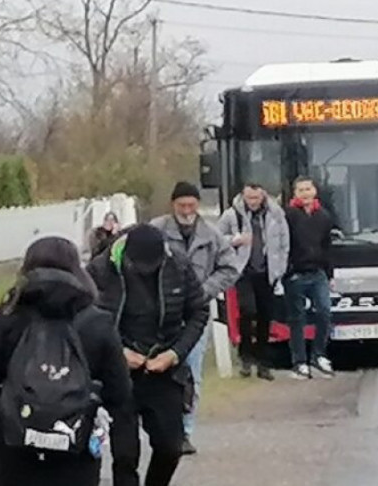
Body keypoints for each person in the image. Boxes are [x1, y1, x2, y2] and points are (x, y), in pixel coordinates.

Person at [0, 236, 133, 486]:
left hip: (13, 447)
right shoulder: (98, 322)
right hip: (75, 446)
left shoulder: (9, 316)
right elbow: (120, 393)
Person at [87, 225, 210, 486]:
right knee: (125, 455)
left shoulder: (178, 264)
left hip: (163, 367)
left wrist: (175, 354)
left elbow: (199, 312)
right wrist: (118, 353)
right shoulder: (100, 269)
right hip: (119, 372)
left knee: (170, 447)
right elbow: (86, 320)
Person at [150, 181, 239, 455]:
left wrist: (203, 292)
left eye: (191, 205)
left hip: (195, 316)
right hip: (159, 315)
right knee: (157, 374)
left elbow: (230, 269)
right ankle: (161, 429)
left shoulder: (211, 235)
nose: (187, 210)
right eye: (181, 205)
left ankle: (185, 433)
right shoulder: (155, 231)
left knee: (192, 375)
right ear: (172, 205)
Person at [216, 183, 289, 380]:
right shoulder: (232, 215)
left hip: (267, 271)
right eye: (249, 198)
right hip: (243, 272)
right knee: (248, 311)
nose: (253, 202)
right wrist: (235, 240)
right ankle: (246, 355)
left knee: (266, 316)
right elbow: (216, 239)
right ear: (243, 196)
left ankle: (263, 362)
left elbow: (284, 243)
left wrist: (279, 268)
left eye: (256, 198)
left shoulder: (275, 214)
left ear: (263, 196)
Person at [284, 176, 336, 380]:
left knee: (324, 312)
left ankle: (319, 355)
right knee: (297, 319)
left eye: (308, 189)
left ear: (314, 191)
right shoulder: (288, 215)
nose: (305, 193)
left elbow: (327, 247)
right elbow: (280, 244)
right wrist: (287, 270)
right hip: (295, 275)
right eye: (300, 190)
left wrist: (330, 273)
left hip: (318, 274)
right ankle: (299, 361)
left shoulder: (323, 216)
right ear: (294, 194)